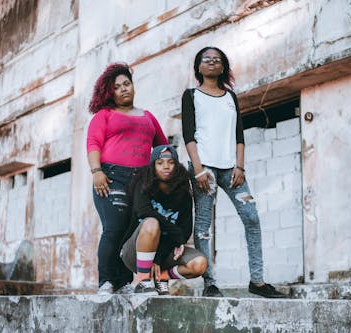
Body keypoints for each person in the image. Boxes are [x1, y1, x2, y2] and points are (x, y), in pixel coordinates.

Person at [181, 47, 285, 298]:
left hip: (231, 169)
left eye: (217, 59)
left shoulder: (230, 97)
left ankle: (257, 281)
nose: (212, 62)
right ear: (198, 66)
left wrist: (240, 166)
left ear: (223, 66)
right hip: (204, 169)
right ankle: (210, 283)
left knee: (251, 217)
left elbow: (239, 135)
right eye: (207, 59)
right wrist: (197, 170)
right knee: (204, 227)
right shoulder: (191, 95)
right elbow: (189, 134)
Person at [87, 63, 168, 294]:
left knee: (131, 231)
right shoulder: (104, 115)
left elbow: (162, 148)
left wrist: (165, 178)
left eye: (127, 84)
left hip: (142, 182)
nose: (123, 89)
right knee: (114, 228)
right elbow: (93, 144)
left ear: (133, 86)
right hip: (111, 177)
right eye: (117, 87)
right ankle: (106, 281)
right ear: (109, 91)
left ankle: (123, 283)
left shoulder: (148, 116)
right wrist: (96, 172)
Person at [120, 145, 207, 295]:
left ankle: (162, 277)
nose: (166, 167)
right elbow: (144, 211)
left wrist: (159, 257)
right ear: (153, 166)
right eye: (160, 163)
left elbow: (184, 232)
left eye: (171, 162)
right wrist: (175, 234)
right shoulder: (143, 184)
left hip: (165, 252)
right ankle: (143, 281)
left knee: (199, 264)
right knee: (151, 223)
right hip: (134, 252)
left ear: (177, 166)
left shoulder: (183, 193)